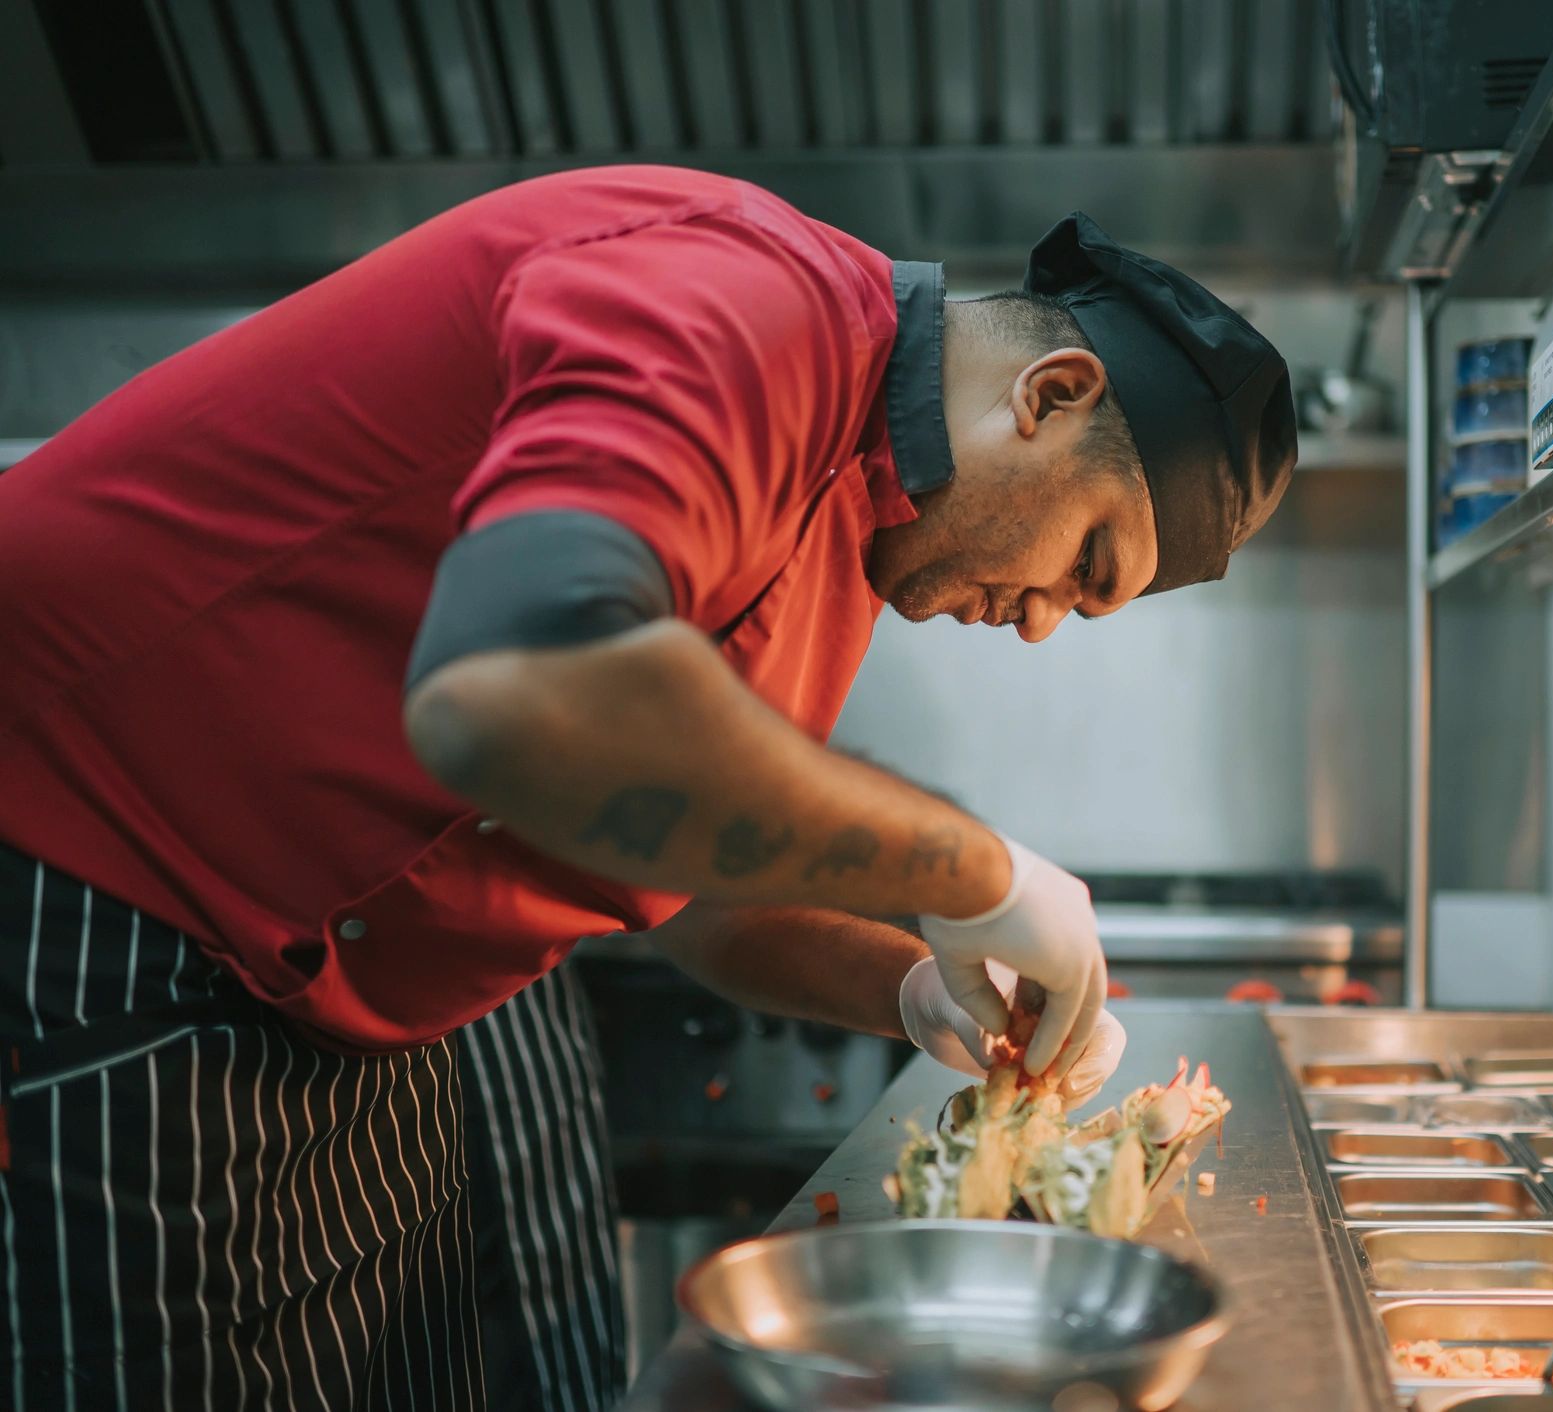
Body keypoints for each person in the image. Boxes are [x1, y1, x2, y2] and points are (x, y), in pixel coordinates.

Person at [0, 166, 1297, 1410]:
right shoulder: (738, 299)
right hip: (94, 894)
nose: (1043, 621)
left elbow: (690, 892)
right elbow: (521, 687)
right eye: (1087, 562)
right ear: (1051, 395)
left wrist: (914, 989)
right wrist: (971, 871)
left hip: (333, 1011)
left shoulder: (847, 528)